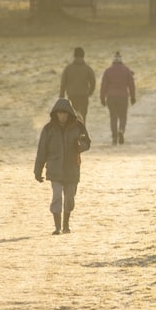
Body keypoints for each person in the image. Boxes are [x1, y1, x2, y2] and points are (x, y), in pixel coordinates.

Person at [34, 98, 91, 235]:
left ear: (69, 114)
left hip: (72, 168)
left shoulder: (78, 127)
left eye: (65, 113)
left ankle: (66, 224)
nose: (62, 116)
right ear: (56, 114)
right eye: (60, 113)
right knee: (57, 196)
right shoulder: (48, 129)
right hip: (55, 169)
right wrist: (38, 170)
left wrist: (80, 146)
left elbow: (87, 143)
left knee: (70, 199)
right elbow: (42, 150)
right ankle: (57, 227)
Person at [99, 51, 136, 145]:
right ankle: (121, 130)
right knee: (123, 116)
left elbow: (104, 85)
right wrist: (133, 97)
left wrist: (102, 98)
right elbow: (131, 84)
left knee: (113, 117)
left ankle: (114, 137)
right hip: (123, 96)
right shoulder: (126, 70)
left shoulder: (108, 71)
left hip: (111, 97)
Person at [59, 46, 96, 122]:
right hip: (83, 96)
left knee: (72, 117)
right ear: (83, 56)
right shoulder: (87, 68)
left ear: (74, 56)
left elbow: (63, 83)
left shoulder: (68, 68)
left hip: (72, 96)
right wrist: (90, 92)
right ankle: (82, 132)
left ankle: (73, 133)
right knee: (82, 117)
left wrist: (61, 97)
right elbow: (93, 82)